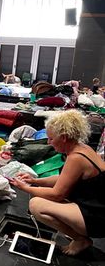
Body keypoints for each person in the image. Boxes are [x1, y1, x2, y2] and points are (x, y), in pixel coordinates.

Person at [9, 110, 105, 256]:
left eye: (51, 139)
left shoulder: (76, 158)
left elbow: (57, 194)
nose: (48, 142)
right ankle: (77, 231)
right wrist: (34, 180)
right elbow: (63, 179)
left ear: (64, 138)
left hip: (97, 218)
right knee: (43, 197)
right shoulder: (83, 148)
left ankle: (80, 239)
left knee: (36, 205)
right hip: (95, 206)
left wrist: (26, 188)